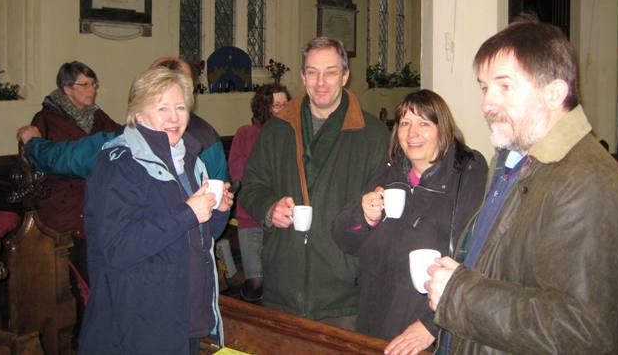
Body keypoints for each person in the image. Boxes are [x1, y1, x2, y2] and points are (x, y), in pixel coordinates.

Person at [426, 17, 618, 354]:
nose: (486, 104)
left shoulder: (590, 184)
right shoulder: (513, 162)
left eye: (504, 86)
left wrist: (459, 296)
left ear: (554, 93)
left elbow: (587, 332)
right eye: (484, 87)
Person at [79, 67, 234, 355]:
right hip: (139, 322)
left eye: (180, 107)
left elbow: (202, 236)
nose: (174, 117)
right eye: (162, 108)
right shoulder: (119, 165)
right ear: (139, 115)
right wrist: (187, 213)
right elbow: (117, 248)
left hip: (184, 313)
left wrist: (219, 210)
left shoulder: (189, 160)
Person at [238, 37, 390, 328]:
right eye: (312, 72)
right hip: (282, 286)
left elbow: (382, 211)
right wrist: (269, 208)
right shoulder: (277, 130)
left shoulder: (372, 135)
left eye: (330, 72)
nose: (320, 82)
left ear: (345, 76)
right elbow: (252, 183)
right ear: (302, 76)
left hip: (343, 294)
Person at [332, 90, 487, 353]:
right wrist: (364, 217)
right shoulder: (388, 174)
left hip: (427, 336)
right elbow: (343, 238)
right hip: (374, 325)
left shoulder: (466, 179)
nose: (412, 133)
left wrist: (431, 326)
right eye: (405, 123)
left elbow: (478, 261)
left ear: (443, 129)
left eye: (424, 123)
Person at [16, 58, 228, 183]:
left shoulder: (135, 139)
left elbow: (75, 157)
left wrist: (34, 145)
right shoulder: (208, 135)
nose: (173, 118)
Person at [29, 61, 120, 338]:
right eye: (85, 84)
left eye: (94, 84)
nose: (92, 89)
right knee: (86, 285)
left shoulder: (98, 117)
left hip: (100, 209)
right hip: (67, 212)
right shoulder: (46, 120)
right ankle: (88, 336)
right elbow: (42, 161)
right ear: (67, 89)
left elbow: (118, 142)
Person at [229, 83, 290, 302]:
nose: (283, 109)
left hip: (282, 219)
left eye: (285, 104)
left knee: (279, 282)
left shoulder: (292, 134)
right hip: (251, 217)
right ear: (264, 108)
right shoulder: (245, 134)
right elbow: (237, 172)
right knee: (256, 282)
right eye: (277, 105)